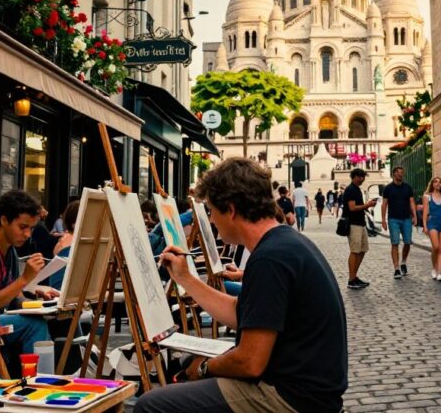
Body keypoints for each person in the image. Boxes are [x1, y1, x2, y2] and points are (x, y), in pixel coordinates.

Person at [138, 158, 347, 413]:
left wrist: (204, 367)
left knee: (151, 405)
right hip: (305, 389)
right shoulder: (284, 242)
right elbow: (242, 312)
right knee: (188, 364)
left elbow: (250, 362)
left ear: (231, 209)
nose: (212, 221)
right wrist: (186, 279)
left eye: (212, 211)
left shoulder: (270, 258)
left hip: (292, 396)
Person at [0, 190, 57, 374]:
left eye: (31, 228)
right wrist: (24, 279)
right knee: (34, 325)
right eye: (22, 227)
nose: (27, 234)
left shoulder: (11, 252)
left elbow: (16, 298)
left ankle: (41, 376)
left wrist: (39, 303)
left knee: (50, 319)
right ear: (4, 220)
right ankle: (38, 381)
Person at [343, 168, 377, 290]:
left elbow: (357, 206)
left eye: (363, 177)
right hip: (353, 224)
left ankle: (354, 276)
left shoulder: (357, 189)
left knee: (362, 250)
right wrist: (367, 205)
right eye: (360, 177)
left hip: (360, 223)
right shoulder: (351, 189)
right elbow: (352, 207)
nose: (362, 179)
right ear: (354, 177)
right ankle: (351, 279)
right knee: (355, 251)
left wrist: (367, 205)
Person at [381, 167, 417, 279]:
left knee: (407, 242)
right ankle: (396, 269)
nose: (401, 174)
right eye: (398, 172)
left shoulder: (407, 188)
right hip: (393, 219)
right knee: (395, 243)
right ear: (394, 174)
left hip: (406, 219)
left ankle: (403, 262)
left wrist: (415, 216)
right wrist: (383, 220)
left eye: (402, 172)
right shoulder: (388, 188)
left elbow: (412, 202)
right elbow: (384, 204)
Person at [422, 176, 441, 281]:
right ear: (432, 184)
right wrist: (425, 226)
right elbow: (425, 212)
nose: (438, 184)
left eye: (439, 182)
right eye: (435, 182)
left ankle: (439, 273)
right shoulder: (427, 196)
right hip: (432, 223)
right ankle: (434, 268)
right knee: (436, 247)